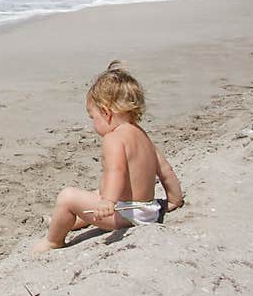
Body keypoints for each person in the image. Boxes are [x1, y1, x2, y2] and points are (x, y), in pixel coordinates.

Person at [32, 61, 184, 253]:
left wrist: (108, 202)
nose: (94, 124)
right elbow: (165, 170)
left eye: (93, 117)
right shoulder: (141, 134)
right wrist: (174, 199)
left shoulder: (113, 139)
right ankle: (69, 221)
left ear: (106, 112)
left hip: (128, 215)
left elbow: (116, 172)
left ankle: (53, 241)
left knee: (68, 197)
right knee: (96, 193)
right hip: (148, 211)